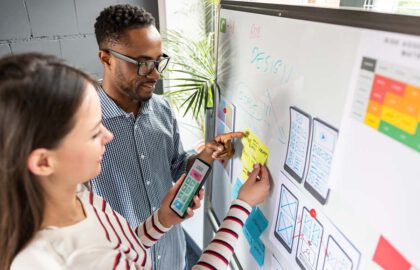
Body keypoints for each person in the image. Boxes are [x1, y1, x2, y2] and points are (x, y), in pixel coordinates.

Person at [0, 53, 270, 270]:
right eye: (94, 132)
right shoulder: (61, 260)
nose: (108, 135)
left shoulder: (82, 197)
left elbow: (127, 250)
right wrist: (242, 206)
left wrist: (162, 219)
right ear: (44, 162)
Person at [91, 4, 243, 269]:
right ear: (106, 58)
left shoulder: (161, 109)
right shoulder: (82, 127)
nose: (155, 73)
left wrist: (206, 155)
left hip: (173, 256)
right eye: (142, 64)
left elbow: (175, 165)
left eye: (158, 60)